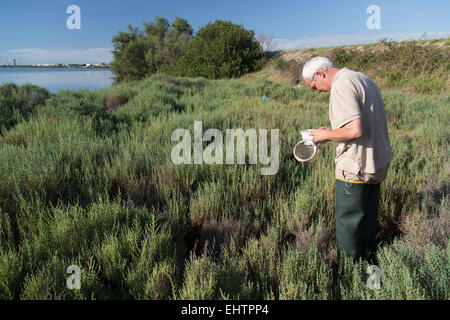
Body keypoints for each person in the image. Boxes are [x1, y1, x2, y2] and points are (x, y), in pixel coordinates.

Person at [302, 56, 392, 260]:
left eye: (313, 86)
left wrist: (325, 135)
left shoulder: (341, 85)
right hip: (376, 163)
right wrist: (332, 131)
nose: (316, 91)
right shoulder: (362, 79)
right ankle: (367, 263)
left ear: (320, 74)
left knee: (349, 225)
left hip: (355, 167)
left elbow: (355, 129)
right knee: (368, 221)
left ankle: (350, 273)